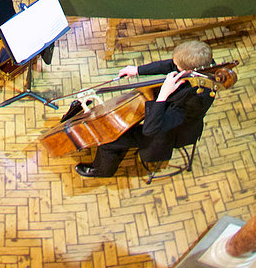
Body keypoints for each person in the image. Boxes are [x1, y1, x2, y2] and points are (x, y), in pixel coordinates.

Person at [74, 40, 216, 179]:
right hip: (164, 113)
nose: (174, 67)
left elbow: (152, 129)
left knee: (109, 140)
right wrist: (136, 70)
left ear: (190, 71)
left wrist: (163, 95)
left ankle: (102, 170)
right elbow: (170, 65)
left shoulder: (197, 99)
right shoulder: (203, 63)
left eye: (178, 67)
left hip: (169, 132)